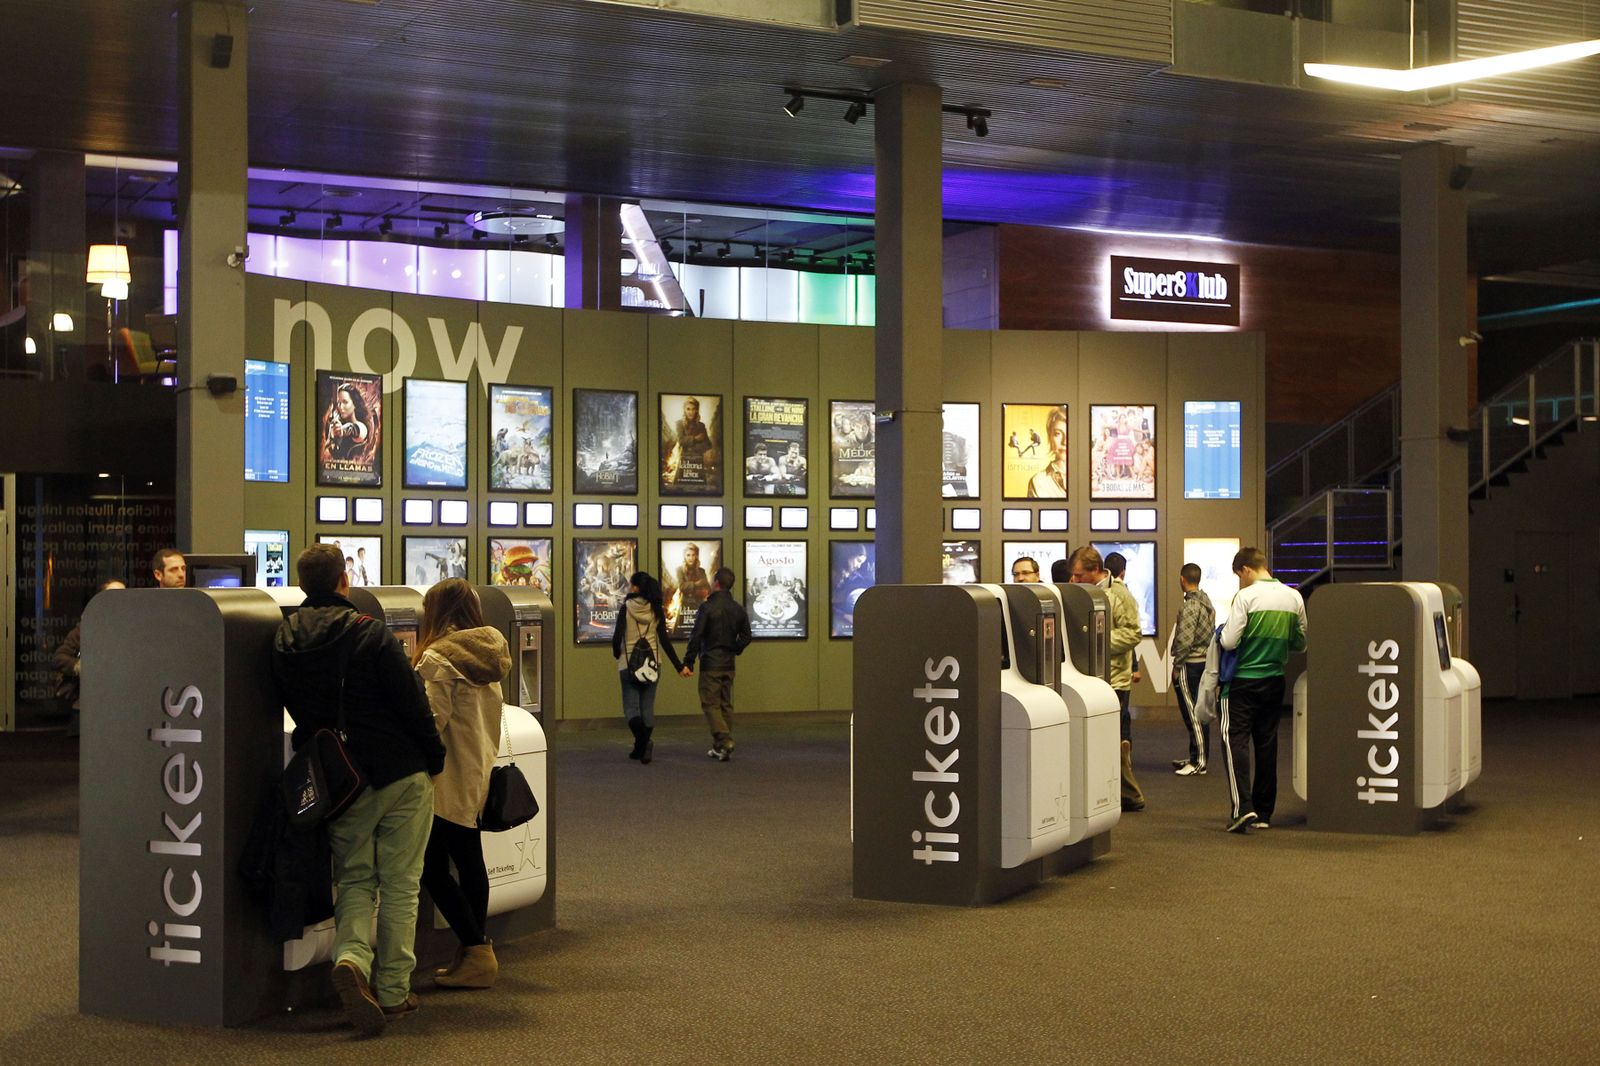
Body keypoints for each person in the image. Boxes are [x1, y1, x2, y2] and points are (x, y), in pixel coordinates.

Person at [271, 543, 445, 1035]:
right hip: (398, 771)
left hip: (340, 780)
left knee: (353, 880)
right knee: (401, 884)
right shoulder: (371, 634)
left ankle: (350, 957)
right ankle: (391, 991)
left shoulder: (284, 640)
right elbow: (413, 705)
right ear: (345, 580)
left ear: (305, 584)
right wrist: (434, 759)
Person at [413, 579, 512, 990]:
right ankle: (474, 952)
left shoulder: (439, 658)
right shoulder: (487, 654)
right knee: (470, 862)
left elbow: (430, 722)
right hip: (477, 769)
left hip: (444, 777)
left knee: (432, 869)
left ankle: (476, 951)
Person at [1218, 547, 1307, 833]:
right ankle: (1265, 811)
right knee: (1267, 744)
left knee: (1236, 742)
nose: (1239, 582)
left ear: (1246, 570)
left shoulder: (1246, 597)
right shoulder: (1293, 596)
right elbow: (1300, 643)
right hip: (1275, 679)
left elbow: (1230, 642)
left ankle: (1243, 808)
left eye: (1239, 576)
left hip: (1243, 681)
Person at [1069, 546, 1145, 811]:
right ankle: (1119, 794)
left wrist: (1097, 643)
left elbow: (1133, 633)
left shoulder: (1120, 595)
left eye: (1079, 575)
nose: (1075, 580)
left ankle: (1129, 794)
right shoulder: (1080, 592)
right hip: (1086, 678)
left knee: (1107, 741)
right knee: (1101, 740)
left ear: (1095, 570)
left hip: (1114, 680)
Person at [611, 570, 685, 764]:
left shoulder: (626, 608)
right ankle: (640, 748)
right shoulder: (655, 609)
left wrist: (616, 653)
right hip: (653, 664)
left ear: (635, 587)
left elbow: (617, 636)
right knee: (647, 708)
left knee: (631, 709)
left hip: (629, 664)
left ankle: (644, 742)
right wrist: (679, 666)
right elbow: (665, 641)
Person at [683, 566, 753, 761]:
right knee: (725, 704)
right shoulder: (738, 609)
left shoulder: (707, 607)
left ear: (715, 584)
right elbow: (747, 636)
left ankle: (724, 740)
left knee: (710, 704)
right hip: (728, 664)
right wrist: (734, 648)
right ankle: (720, 747)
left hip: (710, 663)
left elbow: (696, 636)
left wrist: (688, 661)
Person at [52, 579, 125, 736]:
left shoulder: (134, 628)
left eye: (124, 595)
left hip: (122, 705)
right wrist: (81, 666)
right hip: (89, 706)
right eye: (114, 596)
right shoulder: (87, 628)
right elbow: (59, 657)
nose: (120, 601)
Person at [1169, 563, 1216, 776]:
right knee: (1198, 712)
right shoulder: (1206, 602)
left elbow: (1185, 640)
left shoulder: (1190, 606)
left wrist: (1177, 666)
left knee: (1193, 714)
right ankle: (1197, 756)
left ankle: (1199, 762)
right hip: (1203, 662)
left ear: (1182, 579)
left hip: (1190, 664)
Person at [1027, 407, 1068, 498]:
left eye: (1070, 434)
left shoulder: (1094, 479)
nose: (1065, 442)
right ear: (1050, 437)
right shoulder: (1038, 481)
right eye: (1058, 433)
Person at [325, 383, 371, 462]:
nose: (340, 407)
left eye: (345, 402)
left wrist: (341, 430)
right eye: (339, 403)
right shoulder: (335, 423)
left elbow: (354, 428)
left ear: (355, 404)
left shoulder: (362, 427)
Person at [671, 543, 712, 630]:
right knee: (682, 632)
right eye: (688, 555)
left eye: (693, 555)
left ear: (696, 556)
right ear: (684, 556)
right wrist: (697, 584)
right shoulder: (680, 570)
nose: (691, 558)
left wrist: (691, 586)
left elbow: (707, 587)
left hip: (699, 605)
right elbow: (682, 586)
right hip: (685, 606)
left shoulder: (701, 571)